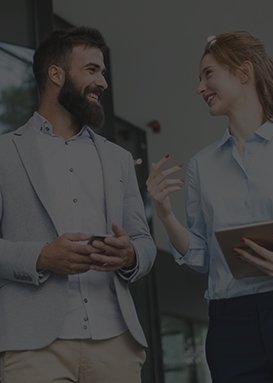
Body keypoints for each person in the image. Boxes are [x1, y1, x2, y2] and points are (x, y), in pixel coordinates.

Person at [147, 31, 273, 383]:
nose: (200, 88)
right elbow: (199, 256)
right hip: (231, 323)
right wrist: (165, 214)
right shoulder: (202, 165)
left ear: (244, 72)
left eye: (208, 74)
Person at [0, 26, 156, 383]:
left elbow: (145, 244)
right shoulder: (5, 153)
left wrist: (129, 255)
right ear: (56, 74)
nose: (102, 82)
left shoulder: (118, 159)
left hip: (116, 343)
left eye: (103, 71)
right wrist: (41, 257)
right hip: (34, 347)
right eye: (91, 70)